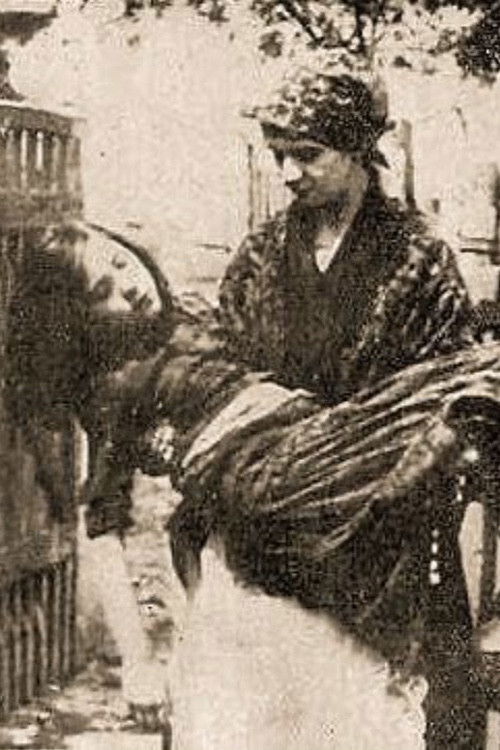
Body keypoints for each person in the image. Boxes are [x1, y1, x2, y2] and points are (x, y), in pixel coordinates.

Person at [81, 71, 493, 749]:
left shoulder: (419, 259)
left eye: (307, 154)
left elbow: (445, 398)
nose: (288, 173)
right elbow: (225, 379)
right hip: (263, 536)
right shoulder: (260, 256)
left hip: (380, 529)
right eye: (278, 155)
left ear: (357, 151)